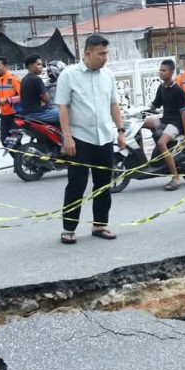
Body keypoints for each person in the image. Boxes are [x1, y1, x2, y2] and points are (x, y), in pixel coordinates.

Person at [56, 35, 126, 244]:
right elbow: (63, 107)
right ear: (88, 53)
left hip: (104, 137)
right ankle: (69, 228)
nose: (105, 58)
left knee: (103, 184)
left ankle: (100, 225)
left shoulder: (108, 75)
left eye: (106, 53)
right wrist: (67, 137)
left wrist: (120, 131)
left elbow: (114, 104)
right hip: (79, 139)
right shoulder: (69, 75)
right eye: (101, 54)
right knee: (76, 184)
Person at [143, 59, 185, 191]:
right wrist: (139, 111)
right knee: (140, 124)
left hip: (176, 123)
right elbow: (154, 105)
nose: (161, 72)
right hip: (165, 119)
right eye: (160, 70)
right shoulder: (161, 88)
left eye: (164, 70)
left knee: (161, 143)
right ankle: (142, 161)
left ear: (171, 71)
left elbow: (184, 113)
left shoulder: (178, 90)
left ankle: (176, 177)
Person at [0, 56, 21, 147]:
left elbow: (23, 96)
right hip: (4, 116)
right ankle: (22, 156)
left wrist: (8, 100)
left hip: (16, 115)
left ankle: (23, 156)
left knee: (14, 143)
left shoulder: (14, 79)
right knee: (5, 142)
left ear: (6, 66)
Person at [19, 54, 59, 124]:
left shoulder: (24, 79)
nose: (41, 67)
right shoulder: (37, 79)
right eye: (38, 64)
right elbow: (46, 99)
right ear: (30, 66)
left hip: (27, 113)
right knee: (65, 113)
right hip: (38, 114)